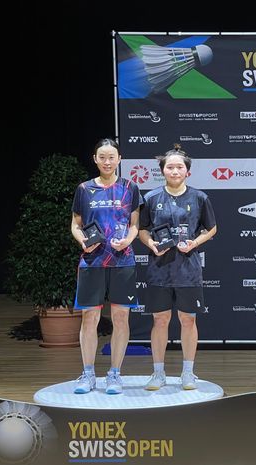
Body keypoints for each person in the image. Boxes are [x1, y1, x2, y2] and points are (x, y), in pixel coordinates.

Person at [139, 144, 217, 391]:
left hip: (188, 270)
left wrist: (194, 242)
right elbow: (142, 230)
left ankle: (188, 373)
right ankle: (158, 373)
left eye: (179, 167)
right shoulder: (151, 198)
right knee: (160, 321)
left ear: (187, 172)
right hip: (159, 270)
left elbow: (212, 228)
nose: (174, 171)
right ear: (162, 170)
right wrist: (151, 244)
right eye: (170, 167)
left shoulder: (199, 197)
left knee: (188, 321)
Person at [70, 138, 142, 394]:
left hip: (123, 261)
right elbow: (76, 224)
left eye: (112, 157)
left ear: (119, 159)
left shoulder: (130, 188)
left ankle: (115, 374)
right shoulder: (84, 189)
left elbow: (135, 225)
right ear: (95, 159)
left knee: (121, 317)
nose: (107, 161)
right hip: (92, 261)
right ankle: (88, 374)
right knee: (89, 318)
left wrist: (128, 241)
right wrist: (82, 242)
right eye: (102, 157)